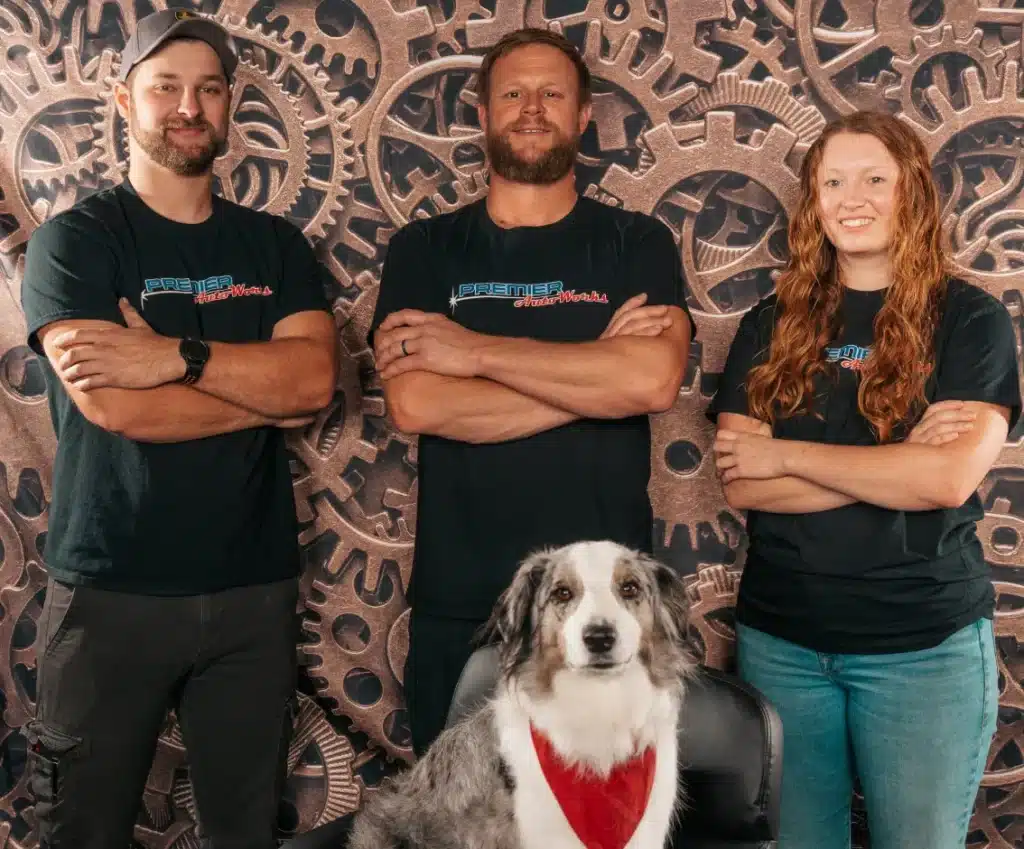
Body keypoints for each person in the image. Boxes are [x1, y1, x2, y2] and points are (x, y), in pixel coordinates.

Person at [20, 10, 338, 848]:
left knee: (243, 832)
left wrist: (171, 353)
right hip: (107, 594)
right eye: (166, 87)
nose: (188, 106)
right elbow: (118, 408)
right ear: (125, 101)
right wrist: (260, 385)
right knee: (79, 831)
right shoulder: (73, 243)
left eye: (209, 88)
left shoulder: (275, 245)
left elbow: (313, 383)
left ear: (232, 107)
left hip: (252, 595)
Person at [369, 27, 695, 757]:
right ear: (481, 111)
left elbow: (652, 380)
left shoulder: (636, 243)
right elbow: (419, 405)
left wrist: (473, 351)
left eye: (553, 93)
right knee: (460, 826)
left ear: (583, 116)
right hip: (463, 608)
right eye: (513, 92)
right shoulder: (424, 251)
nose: (532, 108)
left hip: (608, 611)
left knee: (601, 825)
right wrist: (595, 372)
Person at [709, 110, 1021, 849]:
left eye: (875, 178)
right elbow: (741, 482)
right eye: (834, 181)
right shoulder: (771, 322)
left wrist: (787, 454)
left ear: (911, 189)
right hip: (782, 645)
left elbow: (945, 478)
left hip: (924, 649)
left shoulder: (969, 320)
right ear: (813, 201)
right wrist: (896, 459)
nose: (854, 197)